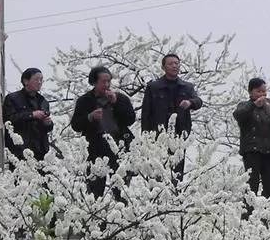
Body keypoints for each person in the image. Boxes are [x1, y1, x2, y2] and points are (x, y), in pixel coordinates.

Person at [70, 66, 136, 199]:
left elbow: (130, 119)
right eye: (103, 82)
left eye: (108, 81)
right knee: (95, 191)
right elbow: (76, 125)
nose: (106, 85)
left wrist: (116, 103)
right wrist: (90, 117)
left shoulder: (120, 98)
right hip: (96, 149)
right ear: (94, 82)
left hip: (119, 146)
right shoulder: (85, 101)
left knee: (121, 190)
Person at [233, 77, 270, 198]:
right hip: (251, 151)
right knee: (252, 185)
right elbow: (238, 115)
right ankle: (248, 213)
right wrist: (253, 105)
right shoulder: (244, 105)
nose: (262, 94)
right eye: (259, 91)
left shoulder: (269, 107)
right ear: (250, 92)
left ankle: (266, 214)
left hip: (268, 151)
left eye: (264, 91)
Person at [140, 53, 203, 136]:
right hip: (158, 133)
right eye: (170, 64)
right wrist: (145, 135)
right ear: (163, 67)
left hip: (180, 133)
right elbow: (146, 113)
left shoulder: (187, 87)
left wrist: (190, 102)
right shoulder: (153, 87)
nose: (174, 66)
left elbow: (198, 101)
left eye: (176, 63)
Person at [3, 67, 53, 162]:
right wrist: (32, 115)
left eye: (41, 80)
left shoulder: (43, 102)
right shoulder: (13, 98)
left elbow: (47, 129)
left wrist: (48, 123)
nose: (39, 82)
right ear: (26, 81)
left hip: (40, 153)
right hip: (19, 152)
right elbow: (9, 119)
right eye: (36, 79)